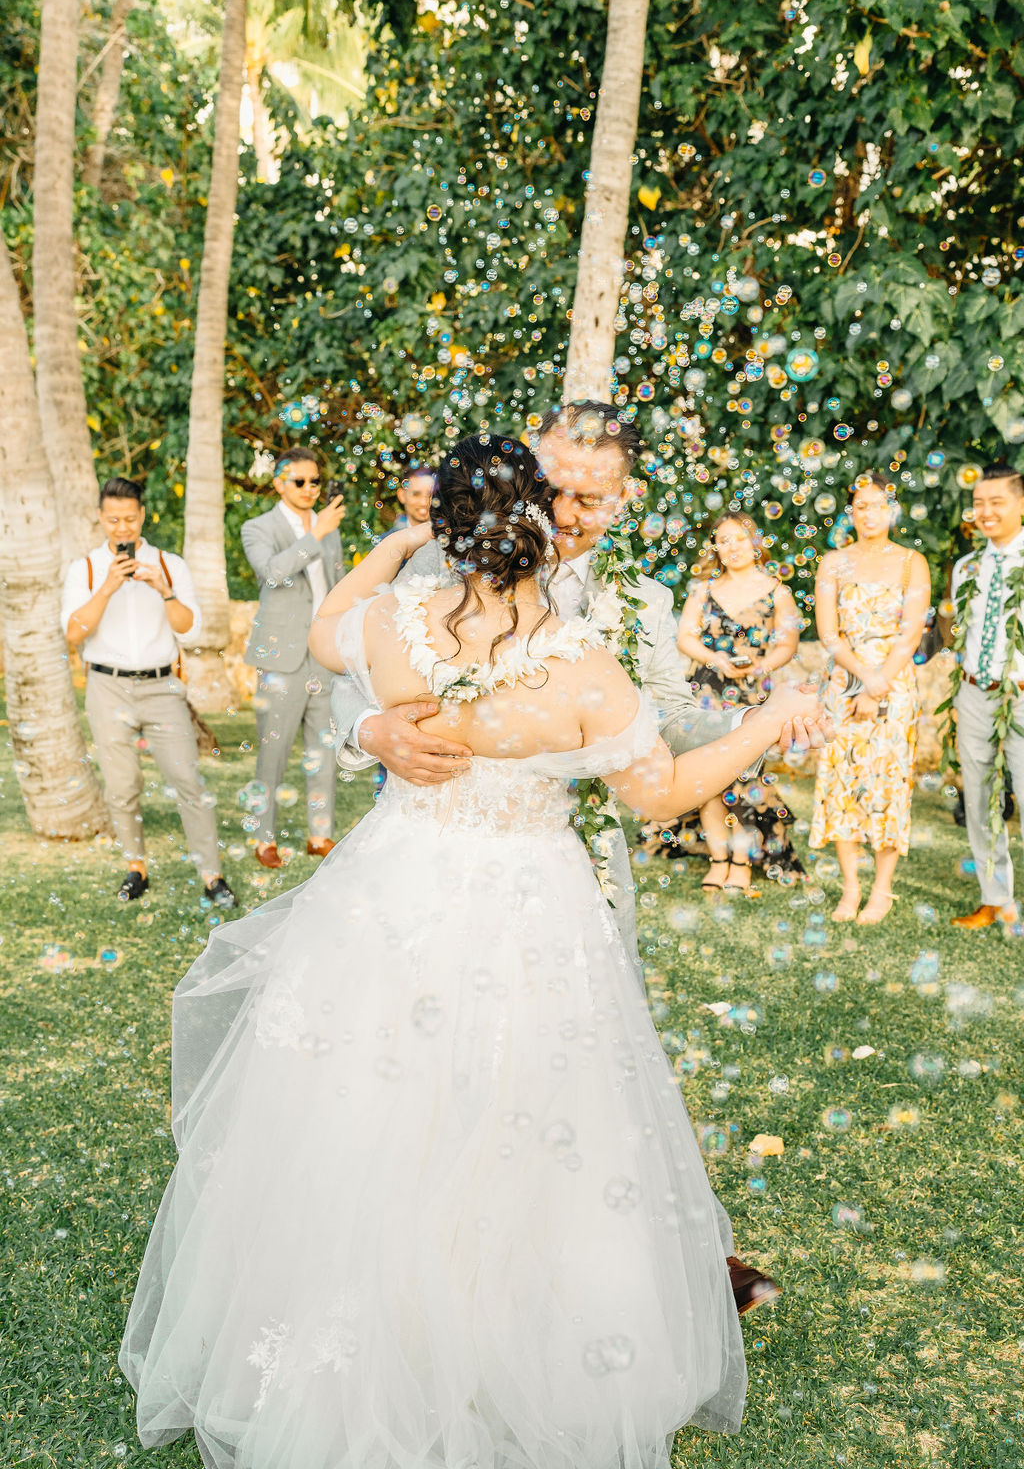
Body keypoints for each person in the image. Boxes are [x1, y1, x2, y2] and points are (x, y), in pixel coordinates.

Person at [121, 435, 817, 1468]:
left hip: (395, 886)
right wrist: (771, 719)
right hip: (528, 907)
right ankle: (509, 1347)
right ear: (539, 525)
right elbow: (662, 792)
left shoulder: (393, 628)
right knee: (527, 1121)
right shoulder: (580, 666)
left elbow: (320, 633)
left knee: (370, 1112)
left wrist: (402, 541)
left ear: (447, 526)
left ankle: (369, 1342)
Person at [332, 402, 831, 1317]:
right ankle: (421, 1262)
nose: (569, 513)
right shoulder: (449, 561)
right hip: (430, 852)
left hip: (572, 861)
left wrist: (769, 729)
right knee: (411, 1060)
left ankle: (639, 1258)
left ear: (625, 498)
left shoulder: (637, 599)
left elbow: (673, 723)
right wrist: (369, 733)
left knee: (589, 1059)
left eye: (593, 499)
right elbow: (342, 676)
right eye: (556, 487)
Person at [61, 477, 237, 908]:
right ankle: (135, 867)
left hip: (162, 687)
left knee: (188, 781)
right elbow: (72, 632)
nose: (122, 528)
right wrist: (106, 587)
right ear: (101, 518)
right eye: (113, 519)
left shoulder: (170, 564)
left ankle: (212, 876)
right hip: (107, 686)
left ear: (142, 516)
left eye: (129, 518)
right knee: (122, 786)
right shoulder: (83, 568)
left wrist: (165, 591)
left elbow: (188, 627)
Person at [656, 512, 803, 892]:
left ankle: (741, 862)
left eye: (739, 538)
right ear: (715, 547)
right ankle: (719, 860)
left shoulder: (777, 591)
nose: (732, 547)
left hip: (753, 695)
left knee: (744, 779)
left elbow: (787, 643)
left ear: (754, 541)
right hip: (707, 691)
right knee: (707, 778)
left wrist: (761, 664)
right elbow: (685, 637)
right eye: (723, 540)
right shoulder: (703, 589)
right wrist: (715, 658)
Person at [810, 472, 930, 924]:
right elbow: (827, 632)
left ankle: (881, 890)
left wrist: (880, 682)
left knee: (888, 780)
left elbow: (912, 629)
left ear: (892, 510)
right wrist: (862, 679)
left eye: (879, 504)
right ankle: (851, 888)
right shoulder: (834, 562)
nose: (869, 513)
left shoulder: (910, 562)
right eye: (861, 506)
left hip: (896, 683)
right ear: (851, 512)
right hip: (845, 679)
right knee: (843, 783)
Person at [241, 449, 345, 868]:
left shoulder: (329, 529)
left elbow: (336, 584)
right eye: (299, 481)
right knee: (273, 751)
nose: (309, 489)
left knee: (322, 749)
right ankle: (262, 836)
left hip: (323, 653)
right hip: (282, 656)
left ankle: (320, 834)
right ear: (279, 483)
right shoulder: (257, 527)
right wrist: (315, 534)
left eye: (314, 481)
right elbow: (271, 572)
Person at [948, 464, 1024, 929]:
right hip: (976, 695)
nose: (986, 511)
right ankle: (995, 898)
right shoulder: (966, 567)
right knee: (978, 799)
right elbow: (965, 631)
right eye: (979, 503)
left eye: (997, 502)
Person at [390, 464, 435, 530]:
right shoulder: (386, 539)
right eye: (416, 494)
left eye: (430, 495)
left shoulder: (451, 537)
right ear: (401, 495)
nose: (424, 503)